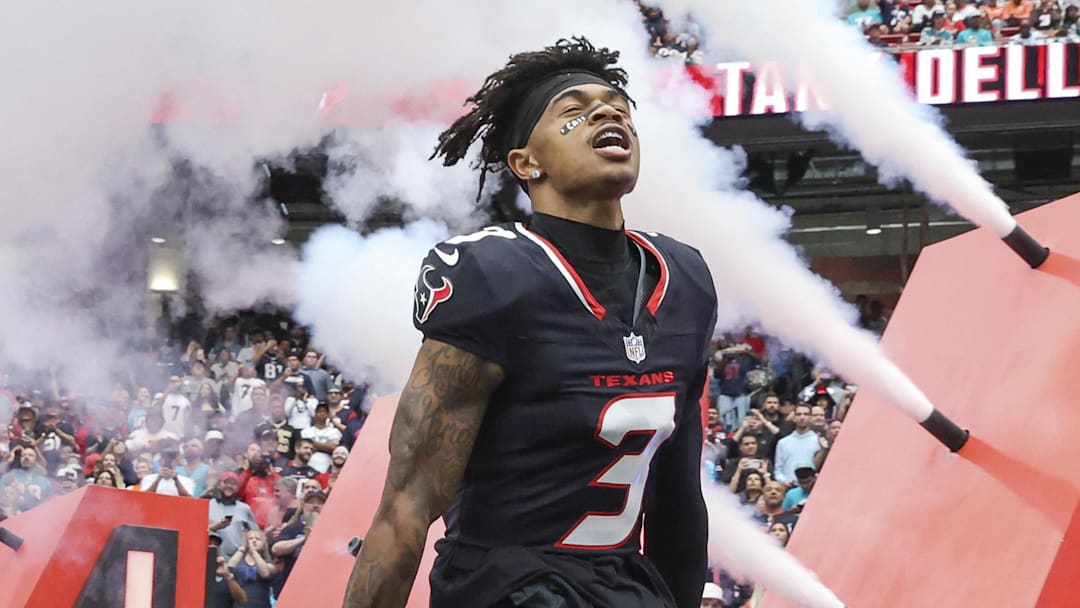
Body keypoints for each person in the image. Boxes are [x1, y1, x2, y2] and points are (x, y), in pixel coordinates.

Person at [345, 37, 718, 608]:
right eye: (573, 109)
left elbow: (678, 503)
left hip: (621, 587)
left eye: (616, 103)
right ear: (526, 162)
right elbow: (407, 504)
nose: (606, 111)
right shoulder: (491, 274)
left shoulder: (685, 278)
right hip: (508, 589)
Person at [226, 529, 275, 608]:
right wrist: (243, 548)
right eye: (251, 539)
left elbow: (265, 573)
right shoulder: (239, 560)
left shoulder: (268, 563)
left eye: (258, 539)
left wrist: (254, 552)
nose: (254, 541)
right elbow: (229, 568)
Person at [773, 405, 821, 485]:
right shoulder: (783, 443)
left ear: (811, 417)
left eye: (806, 414)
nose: (802, 417)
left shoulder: (818, 441)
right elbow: (778, 470)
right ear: (794, 418)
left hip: (812, 487)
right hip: (789, 487)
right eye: (799, 414)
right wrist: (785, 481)